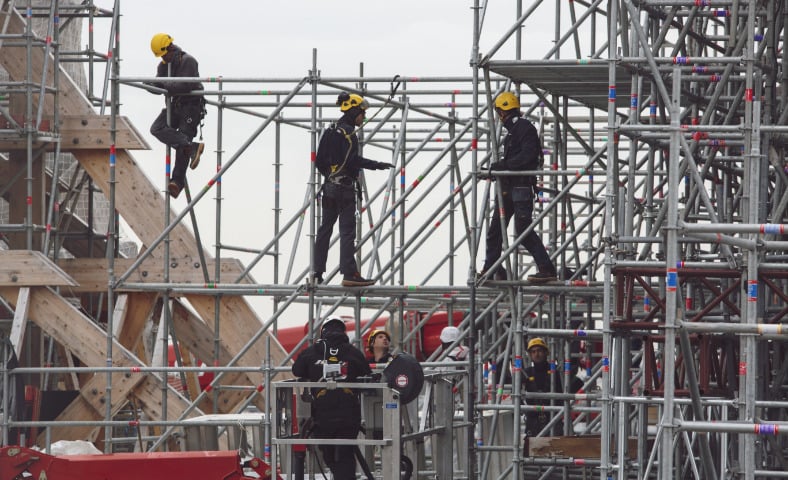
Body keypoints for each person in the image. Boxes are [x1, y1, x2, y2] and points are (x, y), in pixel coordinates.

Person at [313, 92, 394, 287]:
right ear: (353, 110)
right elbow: (352, 160)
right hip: (345, 190)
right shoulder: (349, 134)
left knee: (325, 230)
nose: (363, 117)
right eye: (362, 113)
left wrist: (330, 176)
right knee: (347, 231)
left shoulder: (331, 130)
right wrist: (376, 165)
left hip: (330, 187)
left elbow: (319, 162)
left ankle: (316, 272)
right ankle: (350, 274)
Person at [479, 91, 556, 284]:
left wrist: (504, 165)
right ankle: (491, 269)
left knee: (522, 229)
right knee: (495, 230)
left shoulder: (524, 128)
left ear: (502, 111)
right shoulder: (514, 130)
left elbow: (529, 157)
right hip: (508, 187)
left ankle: (546, 269)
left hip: (520, 187)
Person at [292, 315, 372, 480]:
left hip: (323, 411)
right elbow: (366, 373)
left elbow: (297, 370)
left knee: (328, 453)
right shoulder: (352, 351)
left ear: (323, 332)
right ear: (343, 331)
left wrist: (314, 370)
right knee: (345, 452)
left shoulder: (312, 351)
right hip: (349, 411)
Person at [147, 33, 205, 199]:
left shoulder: (188, 61)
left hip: (190, 106)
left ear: (170, 47)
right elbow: (160, 85)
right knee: (157, 128)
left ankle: (177, 182)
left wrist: (163, 84)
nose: (164, 58)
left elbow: (184, 85)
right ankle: (191, 146)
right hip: (175, 105)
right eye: (161, 56)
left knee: (182, 143)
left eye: (164, 54)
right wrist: (150, 85)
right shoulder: (163, 66)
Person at [522, 337, 561, 436]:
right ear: (530, 355)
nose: (536, 354)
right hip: (533, 419)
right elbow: (517, 395)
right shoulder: (526, 373)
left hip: (552, 417)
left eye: (539, 351)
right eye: (533, 352)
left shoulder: (555, 372)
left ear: (545, 353)